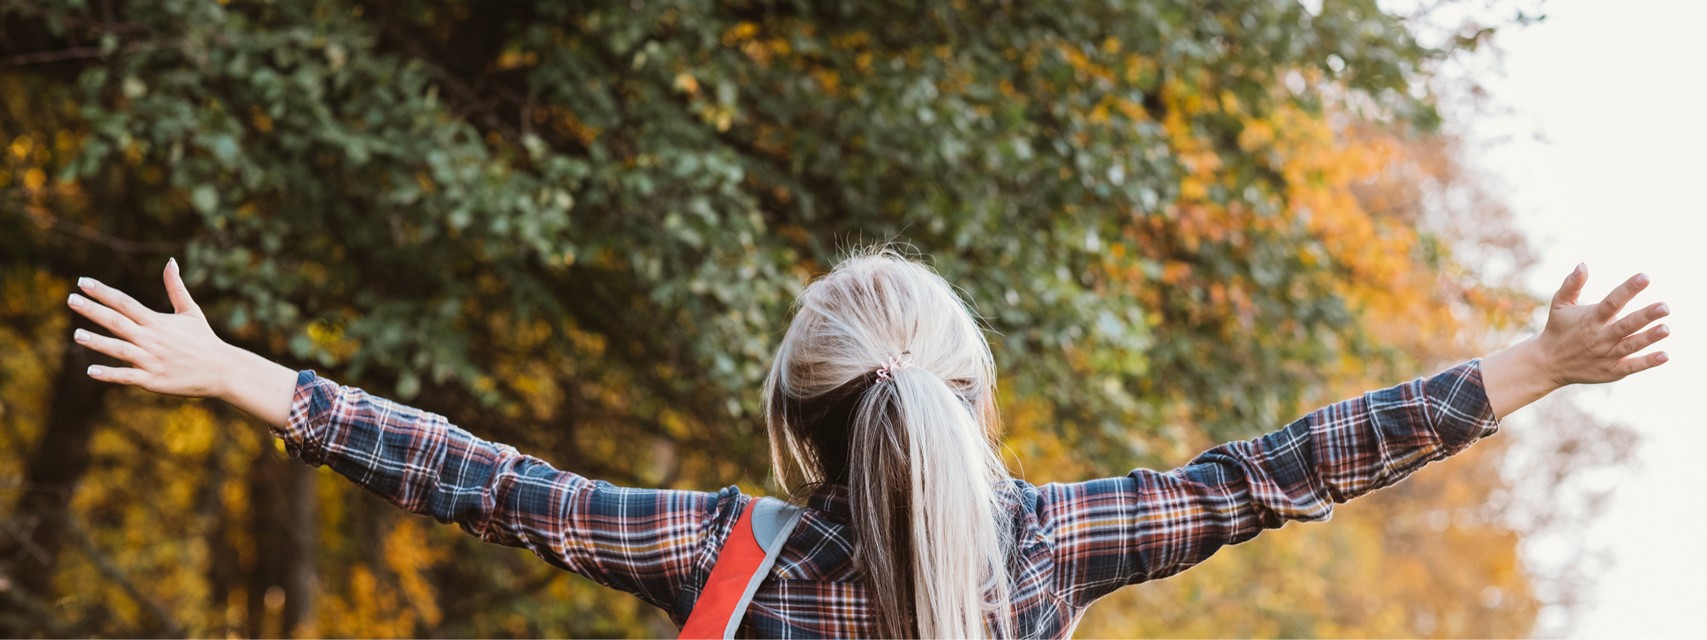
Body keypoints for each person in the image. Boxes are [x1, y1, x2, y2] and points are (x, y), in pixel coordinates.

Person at [64, 248, 1670, 638]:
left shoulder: (727, 560)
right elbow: (1270, 472)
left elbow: (487, 481)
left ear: (798, 425)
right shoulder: (1048, 551)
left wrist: (243, 376)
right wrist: (1525, 362)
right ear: (977, 397)